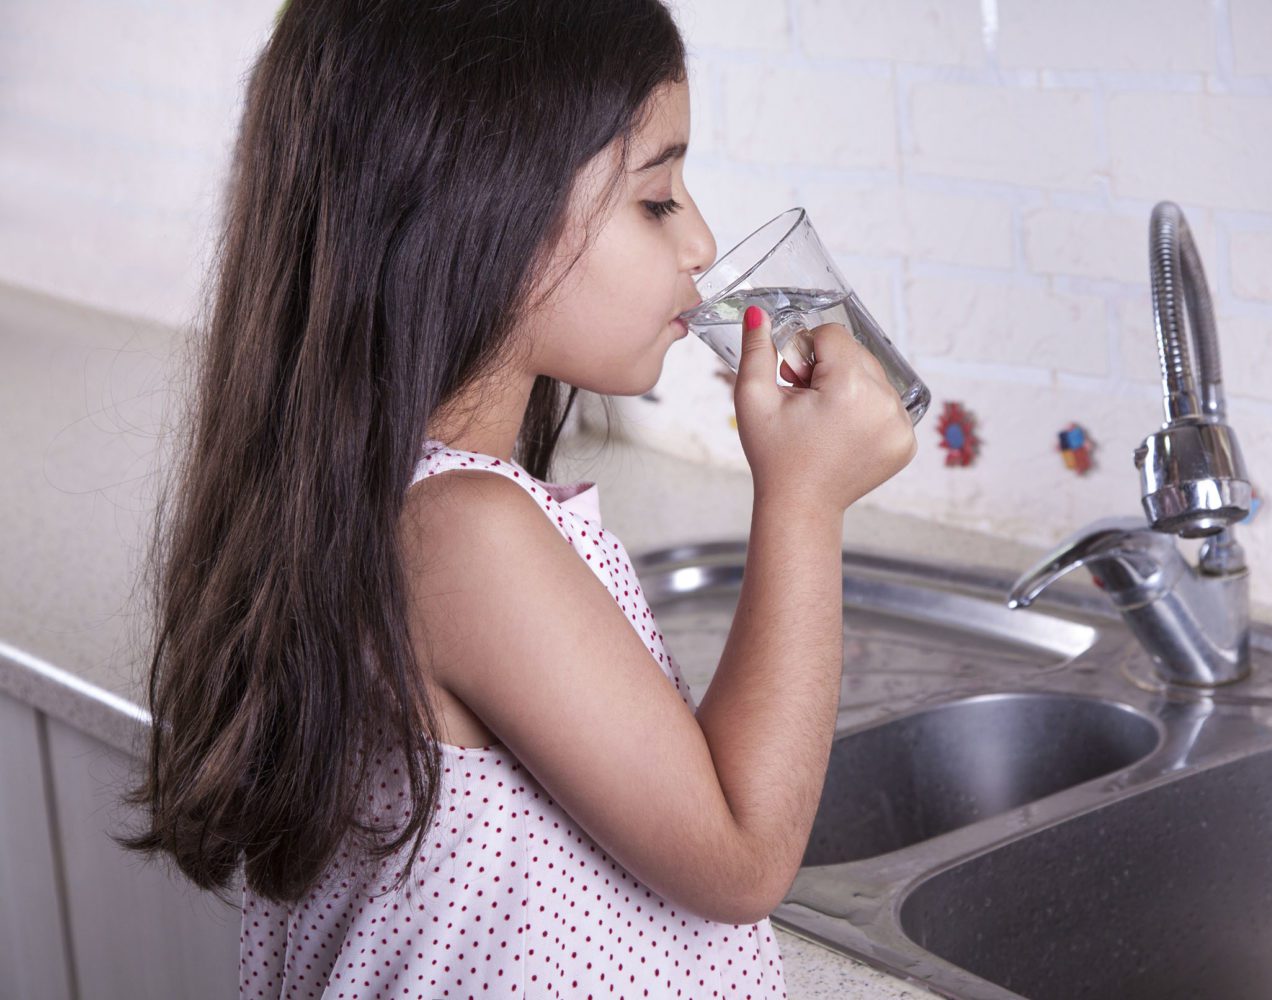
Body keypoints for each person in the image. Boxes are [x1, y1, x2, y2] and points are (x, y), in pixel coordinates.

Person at [113, 1, 918, 997]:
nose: (701, 241)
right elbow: (740, 859)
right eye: (656, 197)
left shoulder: (384, 496)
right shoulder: (460, 532)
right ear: (481, 209)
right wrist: (805, 503)